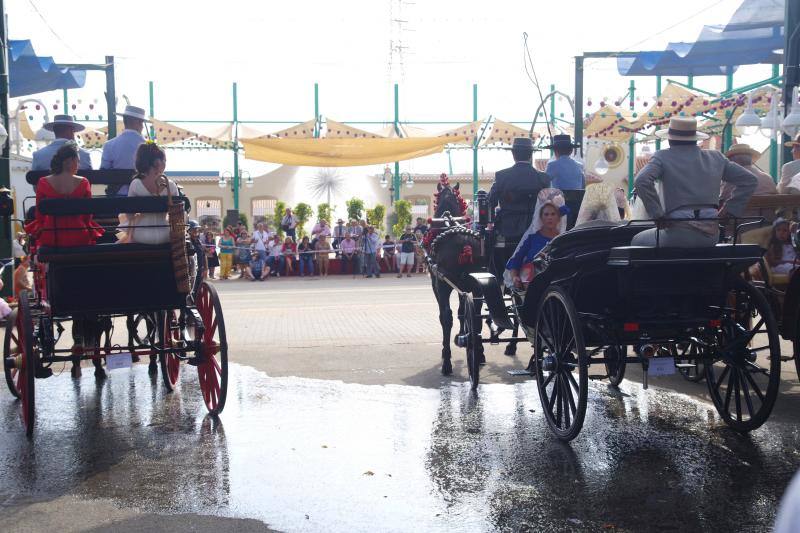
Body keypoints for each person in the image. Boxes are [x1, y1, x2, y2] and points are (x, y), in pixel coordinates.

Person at [25, 143, 104, 378]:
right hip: (78, 238)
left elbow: (40, 215)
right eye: (77, 160)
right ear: (72, 162)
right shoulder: (83, 183)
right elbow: (87, 215)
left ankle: (51, 295)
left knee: (46, 263)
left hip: (54, 237)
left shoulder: (43, 183)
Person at [632, 117, 757, 247]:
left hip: (677, 234)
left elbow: (641, 181)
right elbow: (750, 180)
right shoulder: (716, 157)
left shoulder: (662, 156)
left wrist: (657, 215)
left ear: (670, 139)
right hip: (711, 236)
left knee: (636, 240)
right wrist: (730, 209)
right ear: (695, 139)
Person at [488, 137, 551, 276]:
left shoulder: (502, 176)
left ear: (513, 154)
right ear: (531, 155)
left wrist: (491, 222)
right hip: (536, 229)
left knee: (488, 245)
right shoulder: (543, 178)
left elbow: (490, 202)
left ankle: (496, 276)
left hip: (507, 231)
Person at [506, 190, 568, 289]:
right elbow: (516, 260)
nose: (550, 218)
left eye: (553, 214)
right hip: (531, 282)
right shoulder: (532, 239)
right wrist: (515, 277)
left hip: (557, 283)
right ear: (541, 218)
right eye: (546, 215)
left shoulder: (563, 240)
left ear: (558, 218)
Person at [124, 143, 179, 245]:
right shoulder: (170, 186)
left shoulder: (135, 184)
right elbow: (176, 216)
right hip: (166, 235)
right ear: (157, 162)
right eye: (164, 160)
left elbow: (129, 216)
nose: (165, 163)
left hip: (141, 235)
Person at [720, 144, 777, 221]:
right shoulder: (768, 178)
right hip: (766, 226)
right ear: (750, 158)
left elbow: (721, 202)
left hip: (738, 228)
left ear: (732, 161)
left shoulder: (730, 181)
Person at [101, 105, 150, 196]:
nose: (142, 126)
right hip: (142, 196)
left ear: (124, 121)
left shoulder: (109, 145)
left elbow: (104, 174)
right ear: (138, 122)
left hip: (117, 197)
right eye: (142, 122)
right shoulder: (148, 147)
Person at [188, 220, 208, 297]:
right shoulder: (187, 242)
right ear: (189, 231)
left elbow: (203, 254)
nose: (196, 231)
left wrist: (206, 268)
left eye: (197, 229)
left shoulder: (198, 241)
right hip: (191, 271)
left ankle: (195, 301)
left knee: (198, 288)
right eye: (194, 229)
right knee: (192, 288)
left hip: (200, 269)